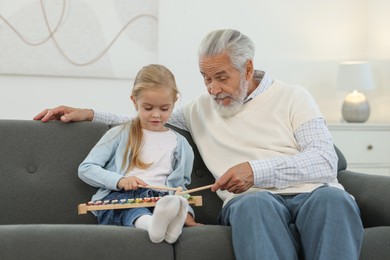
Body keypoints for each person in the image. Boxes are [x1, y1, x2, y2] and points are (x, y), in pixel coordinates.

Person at [35, 29, 363, 259]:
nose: (212, 88)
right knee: (253, 205)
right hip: (252, 201)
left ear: (247, 68)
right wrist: (88, 112)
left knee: (334, 201)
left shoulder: (294, 97)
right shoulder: (198, 109)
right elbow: (145, 116)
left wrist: (255, 170)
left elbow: (324, 161)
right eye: (205, 78)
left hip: (311, 193)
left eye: (221, 77)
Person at [78, 64, 197, 244]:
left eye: (164, 109)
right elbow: (86, 168)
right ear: (134, 101)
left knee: (173, 203)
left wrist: (188, 213)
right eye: (148, 108)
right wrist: (120, 181)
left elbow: (182, 187)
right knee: (130, 210)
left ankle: (170, 226)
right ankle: (152, 225)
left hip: (163, 199)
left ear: (175, 101)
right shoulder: (118, 134)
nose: (156, 115)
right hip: (124, 198)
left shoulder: (181, 144)